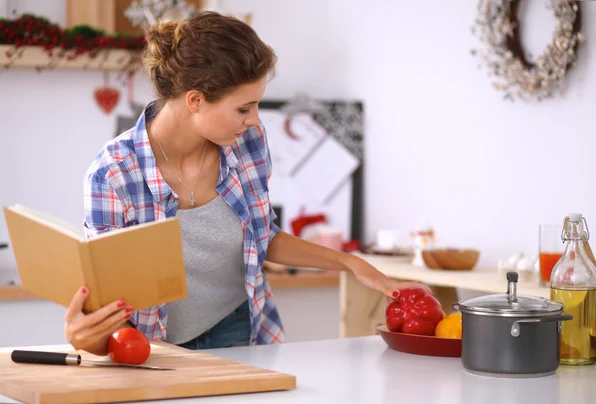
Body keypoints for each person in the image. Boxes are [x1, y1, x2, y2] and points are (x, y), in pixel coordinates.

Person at [63, 11, 431, 355]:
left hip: (239, 326)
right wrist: (86, 338)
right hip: (152, 347)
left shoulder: (247, 144)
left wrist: (351, 264)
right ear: (195, 100)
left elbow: (262, 235)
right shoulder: (113, 174)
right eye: (244, 108)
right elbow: (109, 298)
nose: (255, 120)